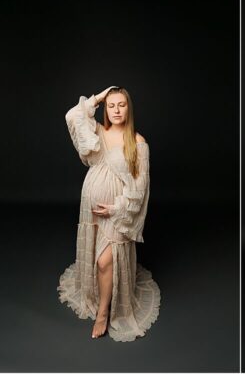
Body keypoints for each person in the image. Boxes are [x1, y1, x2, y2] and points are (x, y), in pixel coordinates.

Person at [58, 86, 159, 341]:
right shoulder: (99, 133)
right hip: (91, 209)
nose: (116, 110)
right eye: (111, 105)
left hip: (117, 211)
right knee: (98, 260)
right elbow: (72, 116)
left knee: (105, 261)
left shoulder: (138, 142)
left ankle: (103, 312)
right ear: (105, 108)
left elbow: (139, 188)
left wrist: (115, 208)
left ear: (129, 108)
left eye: (121, 105)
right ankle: (100, 298)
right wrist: (99, 97)